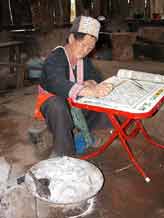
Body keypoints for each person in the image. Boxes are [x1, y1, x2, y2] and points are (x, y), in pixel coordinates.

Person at [34, 16, 113, 157]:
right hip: (53, 106)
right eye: (82, 45)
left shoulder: (83, 60)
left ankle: (84, 136)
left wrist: (92, 82)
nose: (85, 51)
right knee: (57, 105)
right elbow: (56, 83)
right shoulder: (55, 58)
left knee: (104, 102)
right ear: (71, 39)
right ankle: (64, 154)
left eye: (90, 48)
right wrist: (86, 90)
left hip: (72, 105)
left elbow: (95, 76)